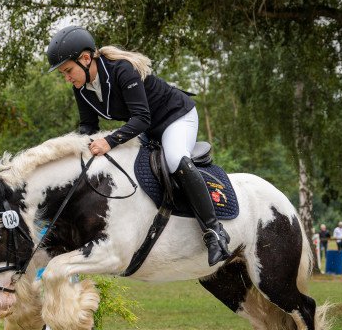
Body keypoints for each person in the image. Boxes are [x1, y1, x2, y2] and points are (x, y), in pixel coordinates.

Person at [46, 26, 230, 266]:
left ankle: (214, 232)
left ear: (85, 58)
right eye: (63, 74)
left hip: (175, 117)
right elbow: (87, 128)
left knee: (175, 159)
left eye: (68, 71)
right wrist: (72, 155)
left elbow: (141, 118)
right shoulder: (81, 89)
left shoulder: (122, 70)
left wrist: (109, 141)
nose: (67, 78)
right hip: (147, 129)